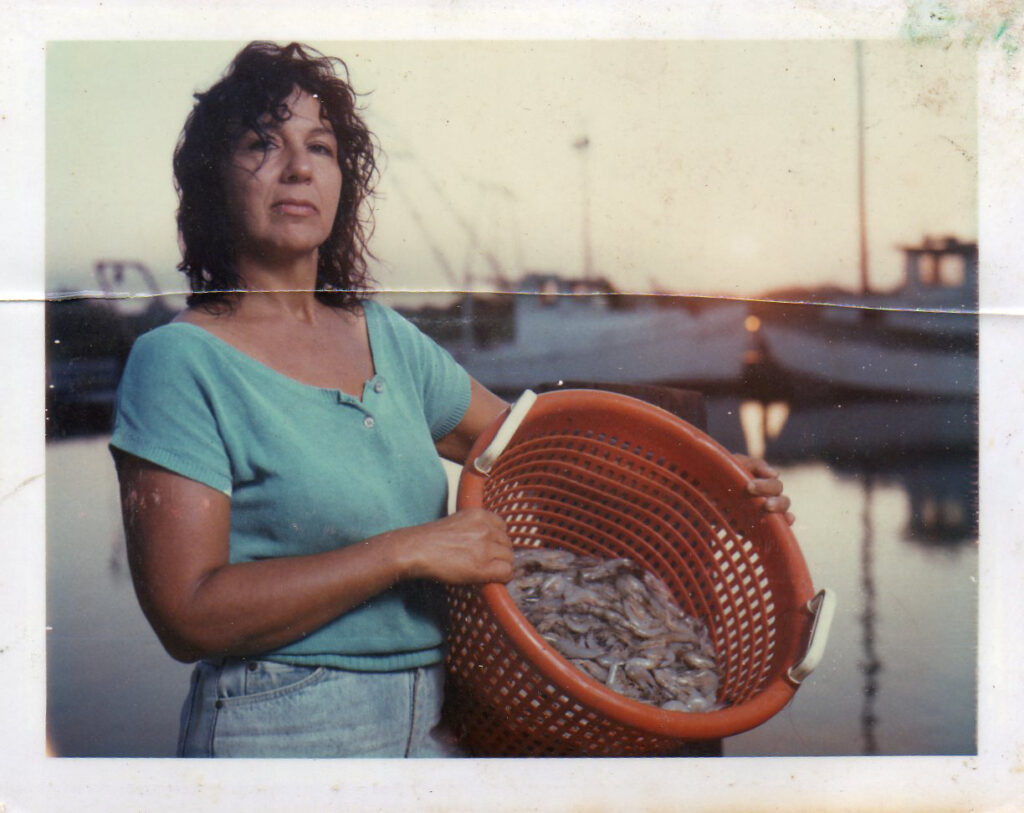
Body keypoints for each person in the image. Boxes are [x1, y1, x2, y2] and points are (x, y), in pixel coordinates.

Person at [110, 41, 793, 759]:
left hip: (436, 718)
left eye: (321, 145)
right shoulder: (178, 361)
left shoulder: (385, 337)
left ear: (345, 180)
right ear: (213, 178)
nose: (299, 166)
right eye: (262, 143)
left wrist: (706, 480)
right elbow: (188, 615)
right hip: (280, 722)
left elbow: (536, 454)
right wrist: (407, 551)